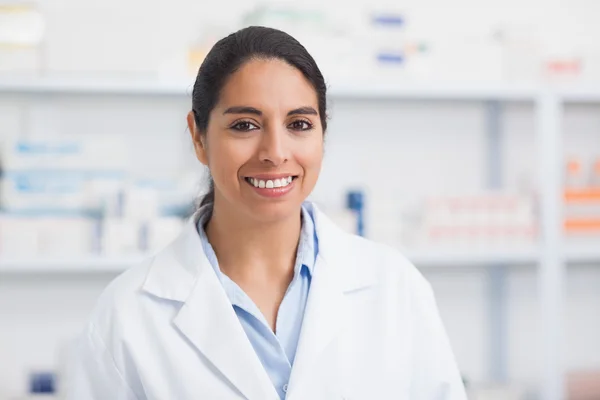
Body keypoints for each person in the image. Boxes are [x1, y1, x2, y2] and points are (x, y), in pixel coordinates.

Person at [67, 26, 467, 400]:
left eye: (299, 123)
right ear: (198, 137)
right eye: (245, 125)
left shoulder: (394, 288)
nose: (275, 152)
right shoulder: (128, 315)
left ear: (322, 134)